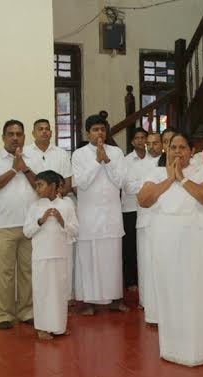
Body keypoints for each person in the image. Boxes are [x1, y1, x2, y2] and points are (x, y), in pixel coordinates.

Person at [137, 133, 203, 366]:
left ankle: (201, 350)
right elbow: (143, 200)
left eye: (182, 147)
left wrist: (182, 179)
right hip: (165, 241)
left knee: (195, 293)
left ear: (191, 151)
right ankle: (174, 348)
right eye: (172, 147)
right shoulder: (155, 172)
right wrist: (169, 179)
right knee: (170, 291)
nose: (176, 152)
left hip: (195, 243)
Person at [0, 119, 36, 329]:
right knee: (3, 273)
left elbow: (42, 187)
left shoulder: (32, 158)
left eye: (19, 134)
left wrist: (25, 169)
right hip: (3, 225)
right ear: (3, 137)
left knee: (27, 271)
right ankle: (2, 314)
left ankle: (27, 310)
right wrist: (13, 170)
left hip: (30, 225)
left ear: (24, 137)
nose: (15, 138)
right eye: (10, 134)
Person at [71, 114, 128, 315]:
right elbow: (81, 183)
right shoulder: (79, 154)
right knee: (89, 259)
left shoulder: (117, 153)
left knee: (112, 259)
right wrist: (97, 161)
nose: (100, 133)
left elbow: (121, 181)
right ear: (88, 133)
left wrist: (107, 161)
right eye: (95, 130)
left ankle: (114, 299)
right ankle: (89, 302)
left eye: (102, 129)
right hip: (88, 216)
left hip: (111, 216)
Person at [24, 170, 79, 340]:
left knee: (60, 292)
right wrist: (40, 221)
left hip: (61, 255)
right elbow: (27, 231)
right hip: (41, 256)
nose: (37, 189)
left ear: (53, 186)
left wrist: (63, 222)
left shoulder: (67, 205)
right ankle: (42, 327)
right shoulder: (35, 207)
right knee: (42, 291)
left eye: (41, 185)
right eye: (36, 185)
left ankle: (58, 327)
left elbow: (76, 230)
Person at [130, 131, 163, 323]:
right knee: (144, 261)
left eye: (155, 143)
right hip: (144, 217)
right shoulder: (137, 165)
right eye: (149, 143)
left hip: (162, 217)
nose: (151, 146)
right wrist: (147, 187)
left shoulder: (167, 162)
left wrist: (148, 187)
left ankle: (162, 300)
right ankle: (145, 300)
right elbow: (129, 187)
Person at [121, 128, 148, 294]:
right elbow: (128, 187)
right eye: (136, 138)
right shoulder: (126, 161)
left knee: (145, 245)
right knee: (130, 247)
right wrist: (148, 186)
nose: (140, 140)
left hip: (148, 207)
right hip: (130, 208)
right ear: (132, 142)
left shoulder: (152, 159)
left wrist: (144, 185)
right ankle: (131, 280)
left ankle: (145, 278)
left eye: (142, 137)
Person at [25, 118, 74, 196]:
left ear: (51, 133)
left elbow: (67, 184)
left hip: (56, 203)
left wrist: (55, 197)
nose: (44, 131)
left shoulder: (62, 153)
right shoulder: (24, 153)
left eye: (47, 129)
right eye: (40, 129)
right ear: (33, 133)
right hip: (32, 203)